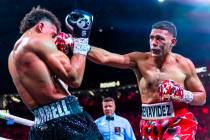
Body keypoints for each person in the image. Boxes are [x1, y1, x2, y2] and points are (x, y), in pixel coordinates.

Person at [86, 21, 206, 139]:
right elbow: (105, 58)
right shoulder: (139, 60)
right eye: (151, 38)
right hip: (149, 124)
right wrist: (80, 45)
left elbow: (202, 97)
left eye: (160, 38)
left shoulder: (184, 64)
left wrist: (183, 94)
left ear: (172, 42)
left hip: (178, 122)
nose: (154, 42)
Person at [8, 7, 103, 140]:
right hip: (68, 123)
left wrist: (60, 55)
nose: (54, 40)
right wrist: (81, 39)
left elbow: (56, 87)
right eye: (53, 35)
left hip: (39, 129)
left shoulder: (12, 58)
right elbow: (75, 78)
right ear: (40, 27)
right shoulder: (37, 40)